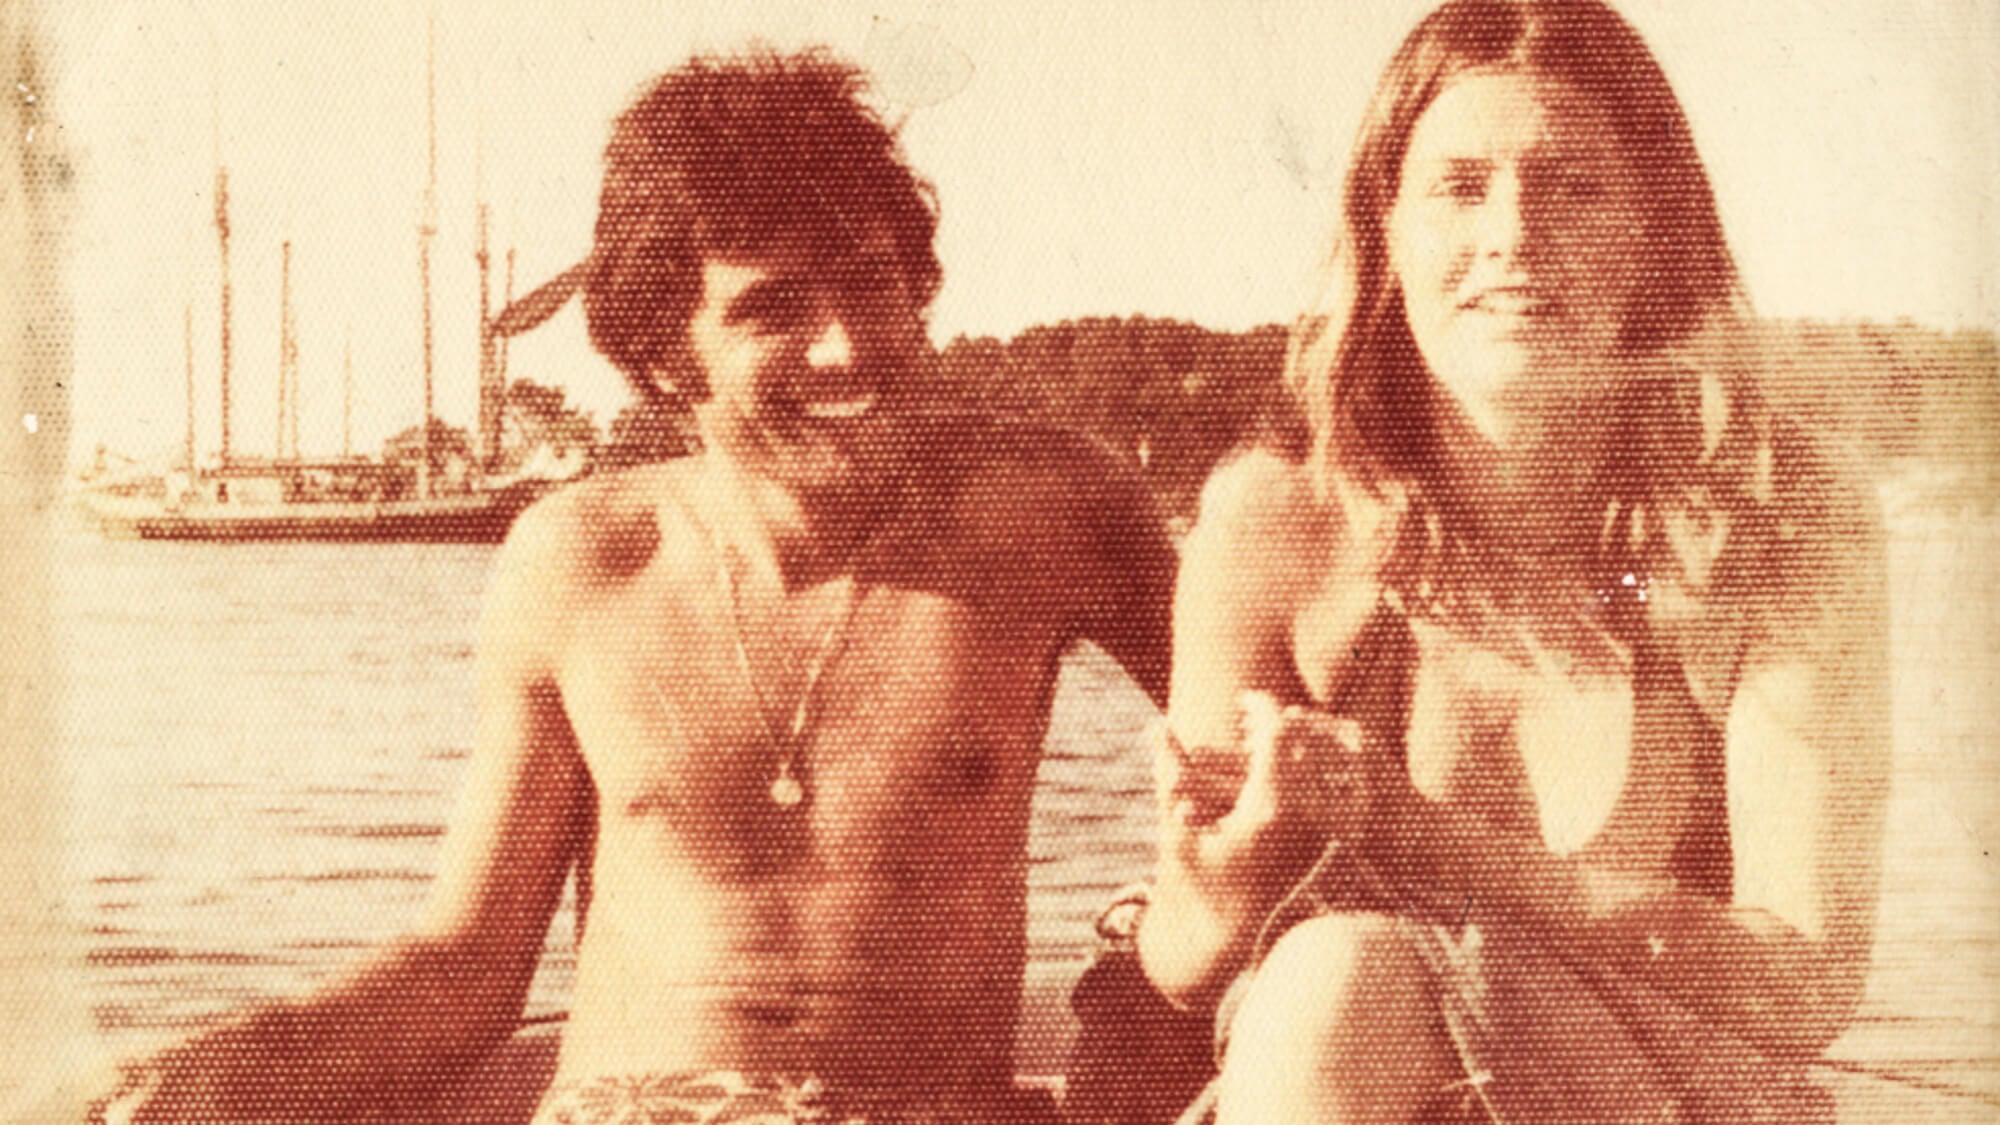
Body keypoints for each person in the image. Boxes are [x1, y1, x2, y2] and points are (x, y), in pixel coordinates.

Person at [74, 48, 1173, 1125]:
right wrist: (225, 1073)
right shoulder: (580, 561)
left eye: (872, 287)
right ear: (662, 357)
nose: (845, 349)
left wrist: (1166, 946)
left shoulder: (1048, 511)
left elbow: (1251, 745)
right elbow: (467, 966)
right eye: (773, 310)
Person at [1117, 1, 1890, 1121]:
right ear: (1386, 232)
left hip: (1667, 1089)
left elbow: (1802, 979)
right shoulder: (1275, 520)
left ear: (1654, 233)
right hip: (1337, 1075)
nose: (1516, 233)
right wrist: (1220, 882)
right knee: (1327, 986)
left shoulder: (1780, 508)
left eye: (1574, 187)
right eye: (1460, 186)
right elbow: (1184, 969)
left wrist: (1417, 834)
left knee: (1341, 980)